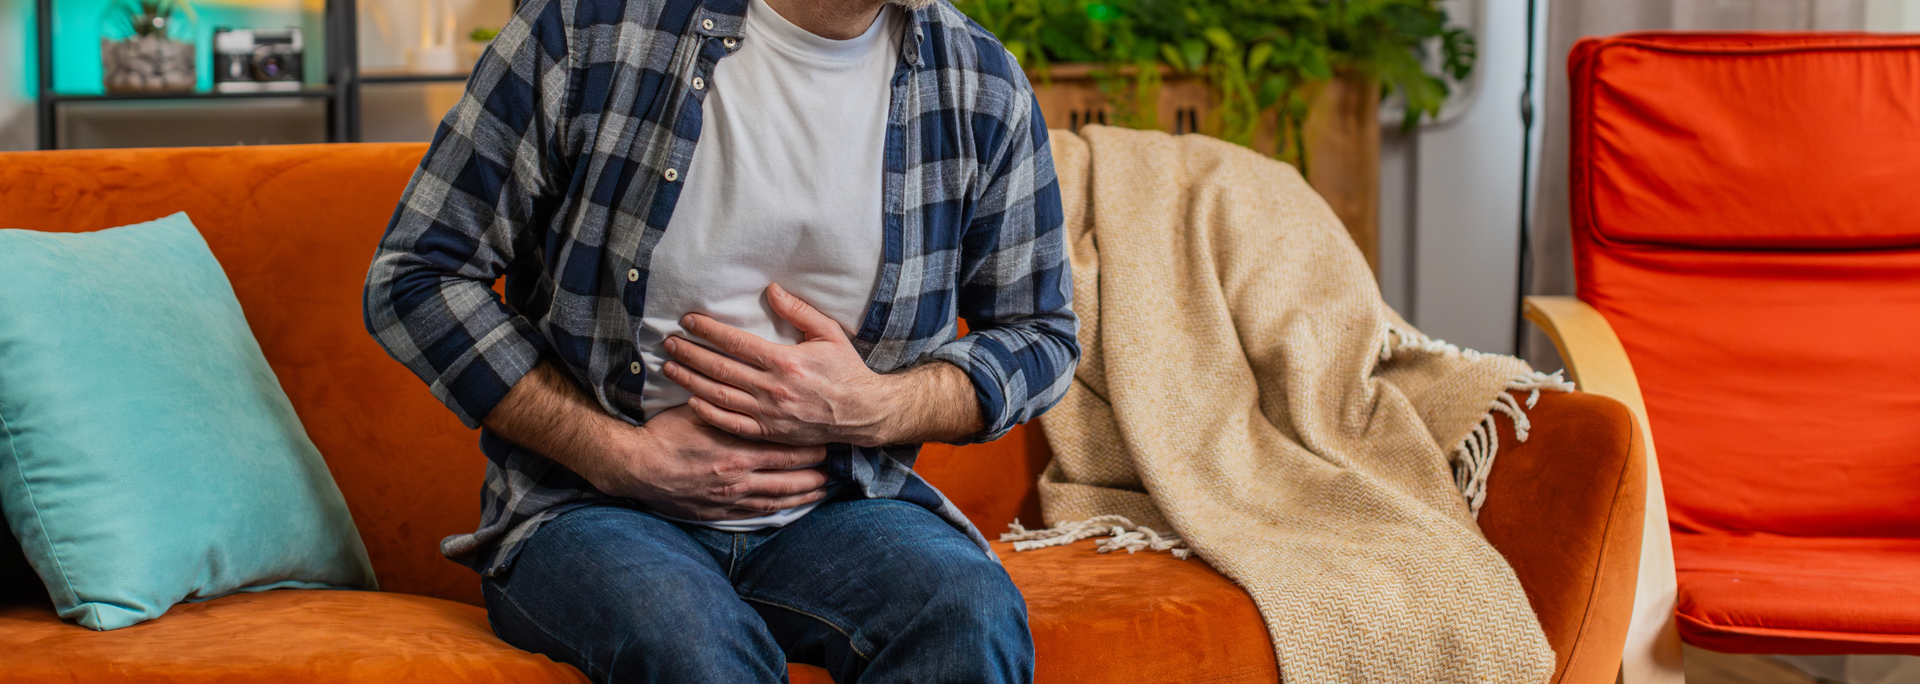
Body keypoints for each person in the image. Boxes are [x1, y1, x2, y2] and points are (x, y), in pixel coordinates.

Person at [361, 0, 1077, 680]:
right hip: (588, 509)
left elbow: (1040, 334)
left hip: (839, 510)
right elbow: (418, 275)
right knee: (686, 638)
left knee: (966, 612)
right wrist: (618, 456)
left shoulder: (981, 83)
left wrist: (877, 406)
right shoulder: (583, 28)